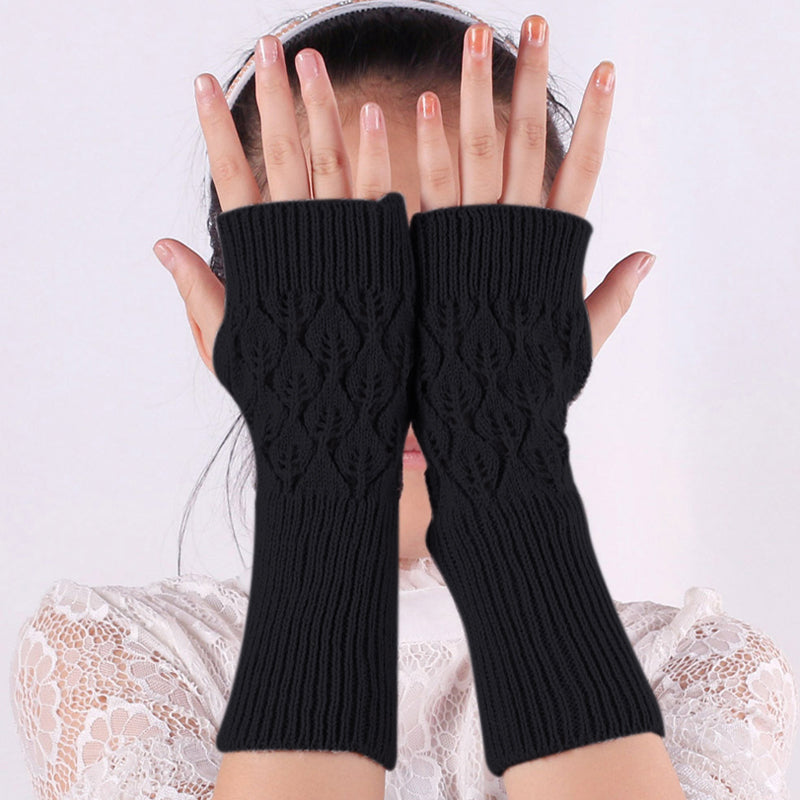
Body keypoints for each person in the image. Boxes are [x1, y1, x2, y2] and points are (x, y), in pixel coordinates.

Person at [9, 2, 799, 798]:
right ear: (217, 327)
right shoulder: (118, 659)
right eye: (333, 294)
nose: (399, 356)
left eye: (468, 290)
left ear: (552, 322)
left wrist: (502, 468)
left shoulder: (704, 671)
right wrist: (326, 477)